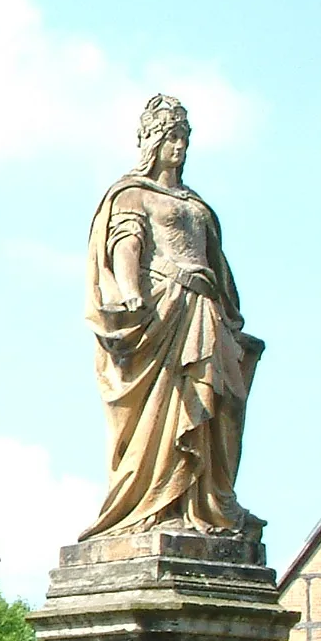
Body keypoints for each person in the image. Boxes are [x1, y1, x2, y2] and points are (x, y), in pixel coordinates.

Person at [80, 95, 264, 540]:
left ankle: (210, 501)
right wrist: (128, 292)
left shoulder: (196, 203)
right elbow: (127, 244)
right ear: (152, 141)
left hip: (204, 310)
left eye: (184, 138)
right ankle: (155, 503)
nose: (179, 147)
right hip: (164, 310)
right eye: (170, 138)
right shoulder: (133, 194)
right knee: (168, 408)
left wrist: (230, 318)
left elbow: (218, 263)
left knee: (224, 403)